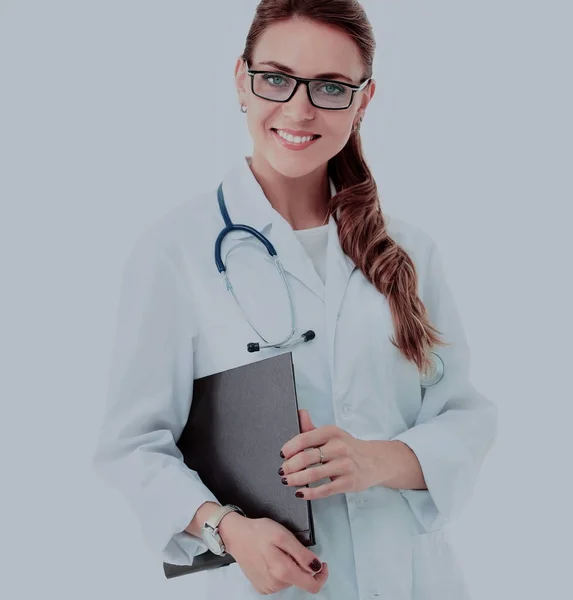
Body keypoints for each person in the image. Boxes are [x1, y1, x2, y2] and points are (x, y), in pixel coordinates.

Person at [92, 1, 498, 598]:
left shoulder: (409, 251)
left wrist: (374, 460)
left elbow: (465, 418)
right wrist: (227, 530)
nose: (299, 108)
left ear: (365, 100)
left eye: (332, 87)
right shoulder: (175, 253)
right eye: (276, 78)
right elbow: (133, 448)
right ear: (241, 80)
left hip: (415, 580)